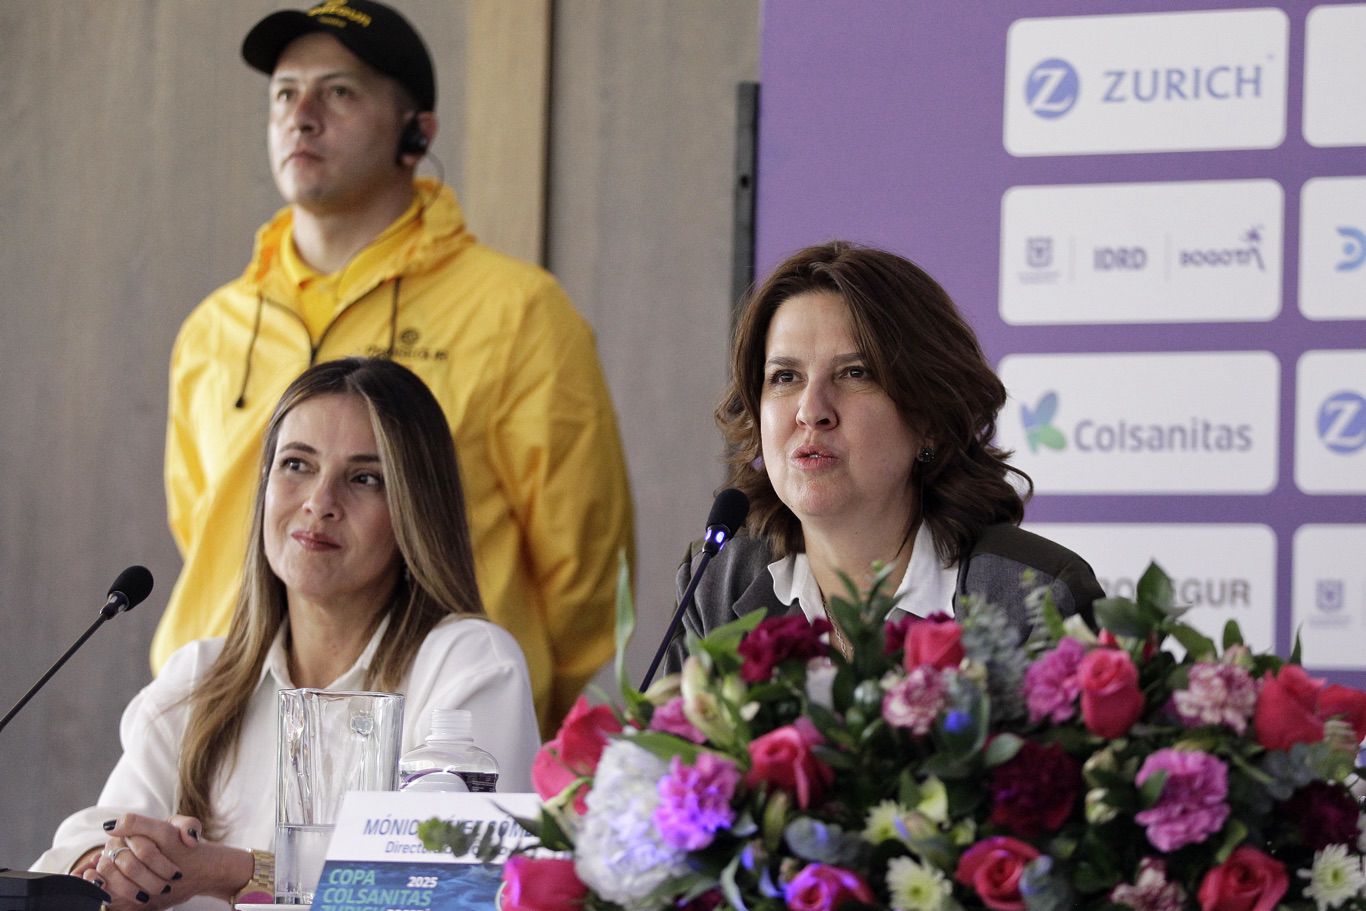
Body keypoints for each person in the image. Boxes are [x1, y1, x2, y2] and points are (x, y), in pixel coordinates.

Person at [156, 0, 633, 737]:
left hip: (434, 731)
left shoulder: (516, 311)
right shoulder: (214, 326)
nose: (301, 116)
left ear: (418, 134)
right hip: (225, 721)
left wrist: (513, 705)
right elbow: (205, 529)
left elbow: (584, 566)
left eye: (339, 92)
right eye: (285, 94)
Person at [35, 358, 540, 910]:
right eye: (297, 465)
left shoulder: (468, 662)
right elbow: (87, 839)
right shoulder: (200, 674)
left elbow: (457, 887)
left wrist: (231, 872)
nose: (319, 503)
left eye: (365, 478)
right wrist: (109, 865)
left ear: (416, 510)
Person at [665, 241, 1102, 670]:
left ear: (928, 417)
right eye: (785, 377)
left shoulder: (1032, 599)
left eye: (855, 373)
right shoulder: (718, 583)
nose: (811, 411)